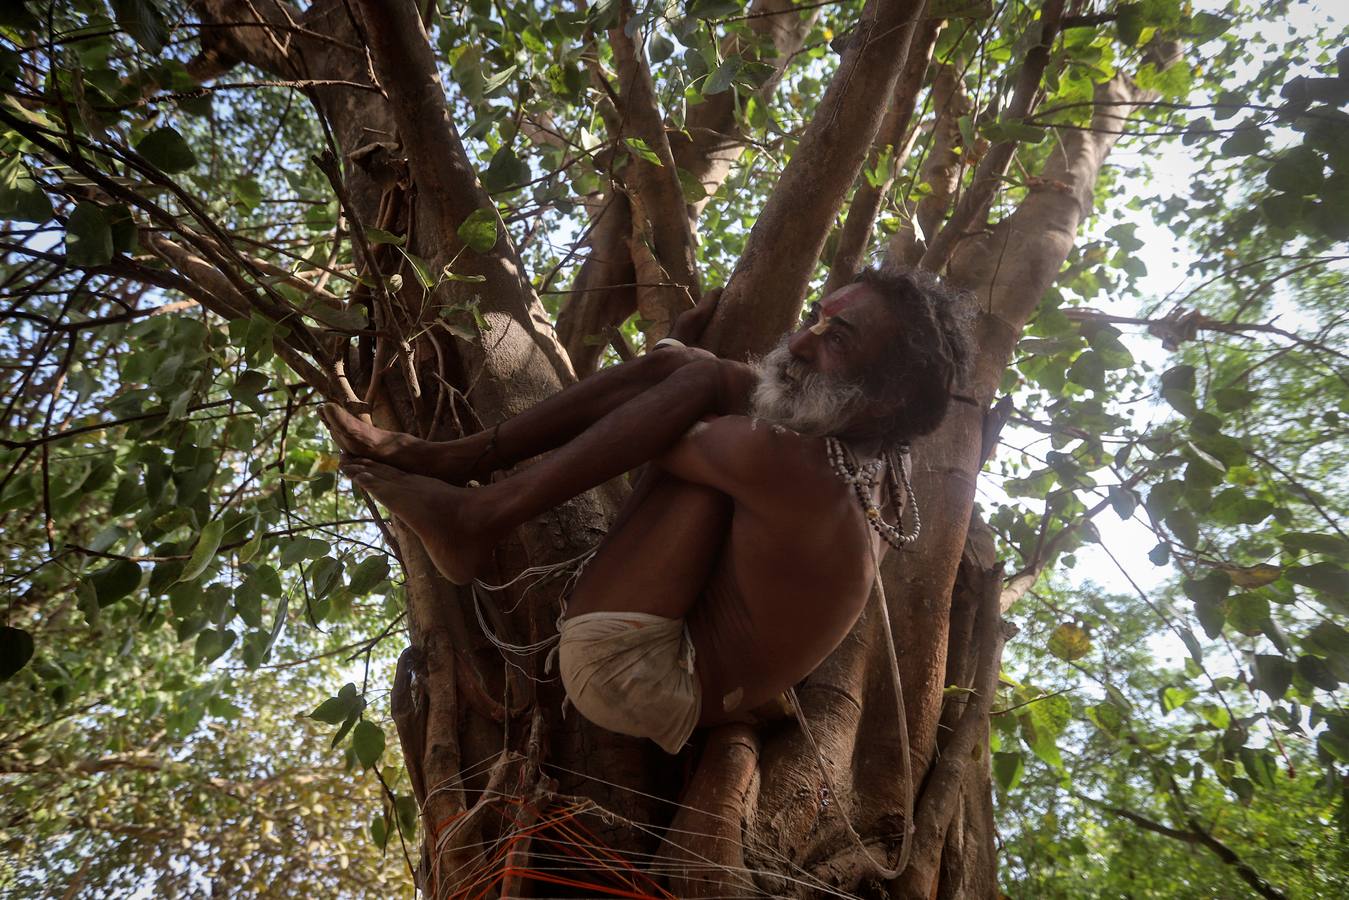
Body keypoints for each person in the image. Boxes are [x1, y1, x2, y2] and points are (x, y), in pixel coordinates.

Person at [323, 267, 971, 754]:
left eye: (838, 340)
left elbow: (657, 428)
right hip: (723, 676)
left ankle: (476, 517)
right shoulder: (886, 457)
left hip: (632, 673)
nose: (801, 341)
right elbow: (702, 383)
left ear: (882, 397)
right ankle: (459, 460)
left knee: (689, 384)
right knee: (690, 372)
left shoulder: (797, 469)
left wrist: (671, 364)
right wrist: (675, 358)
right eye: (815, 317)